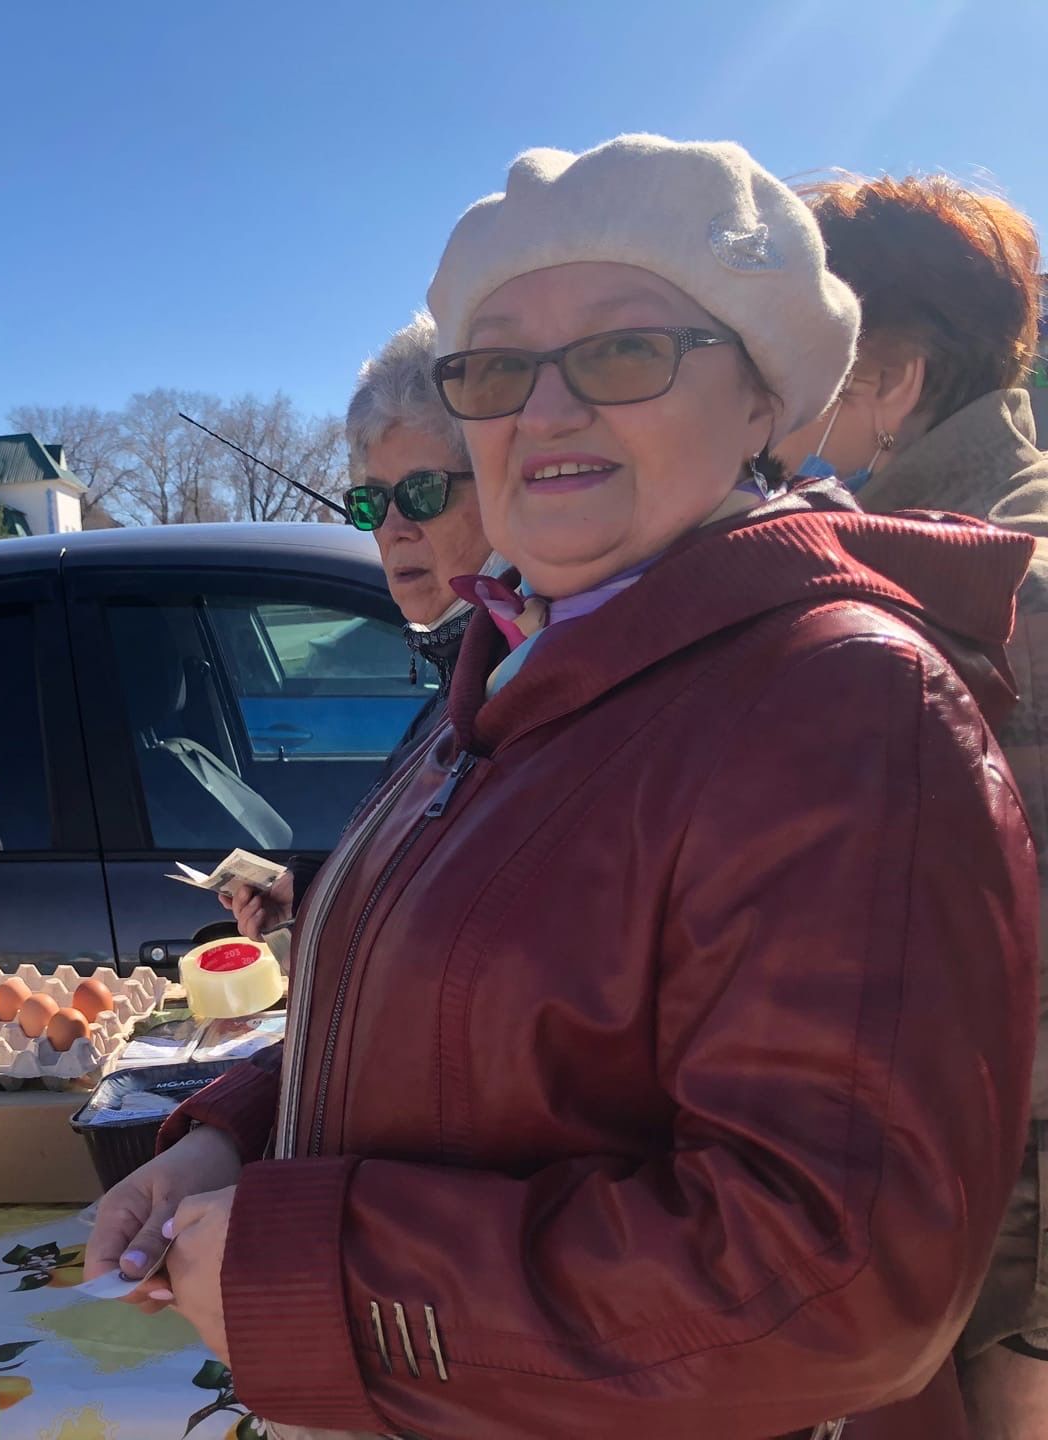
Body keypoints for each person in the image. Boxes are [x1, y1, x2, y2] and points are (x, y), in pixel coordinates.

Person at [87, 135, 1039, 1440]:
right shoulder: (519, 660)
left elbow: (832, 1283)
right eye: (495, 366)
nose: (544, 410)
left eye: (623, 351)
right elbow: (468, 1025)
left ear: (765, 398)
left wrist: (310, 1269)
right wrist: (234, 1141)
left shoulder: (841, 701)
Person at [773, 173, 1048, 1439]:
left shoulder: (1011, 594)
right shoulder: (929, 545)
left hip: (1002, 1240)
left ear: (894, 373)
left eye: (815, 365)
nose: (787, 408)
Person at [225, 316, 501, 944]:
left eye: (424, 492)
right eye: (372, 501)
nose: (394, 528)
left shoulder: (517, 683)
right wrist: (315, 891)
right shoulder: (464, 673)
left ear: (501, 486)